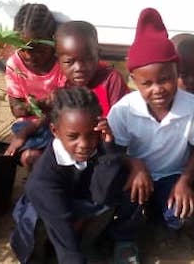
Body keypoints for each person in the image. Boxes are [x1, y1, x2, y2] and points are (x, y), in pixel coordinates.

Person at [107, 8, 194, 261]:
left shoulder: (192, 106)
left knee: (183, 213)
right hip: (135, 177)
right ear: (133, 80)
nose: (158, 90)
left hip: (172, 177)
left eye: (165, 79)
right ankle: (125, 240)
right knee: (126, 201)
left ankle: (160, 218)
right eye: (147, 83)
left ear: (176, 73)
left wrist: (185, 181)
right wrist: (135, 165)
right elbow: (112, 152)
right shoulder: (123, 110)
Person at [9, 87, 141, 264]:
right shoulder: (43, 179)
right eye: (73, 136)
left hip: (78, 208)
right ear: (55, 131)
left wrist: (108, 146)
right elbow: (63, 233)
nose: (84, 144)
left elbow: (102, 196)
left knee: (121, 182)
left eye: (91, 134)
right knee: (38, 223)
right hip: (52, 219)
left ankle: (93, 244)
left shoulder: (99, 149)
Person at [4, 3, 65, 169]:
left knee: (54, 153)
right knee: (30, 157)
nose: (30, 56)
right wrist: (47, 103)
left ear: (52, 41)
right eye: (23, 49)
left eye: (38, 49)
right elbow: (17, 110)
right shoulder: (14, 64)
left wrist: (31, 109)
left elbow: (61, 107)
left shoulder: (62, 63)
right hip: (27, 124)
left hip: (57, 122)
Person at [56, 20, 129, 116]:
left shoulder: (110, 80)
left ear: (98, 55)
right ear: (58, 60)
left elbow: (121, 121)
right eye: (69, 62)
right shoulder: (59, 81)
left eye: (87, 60)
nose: (79, 68)